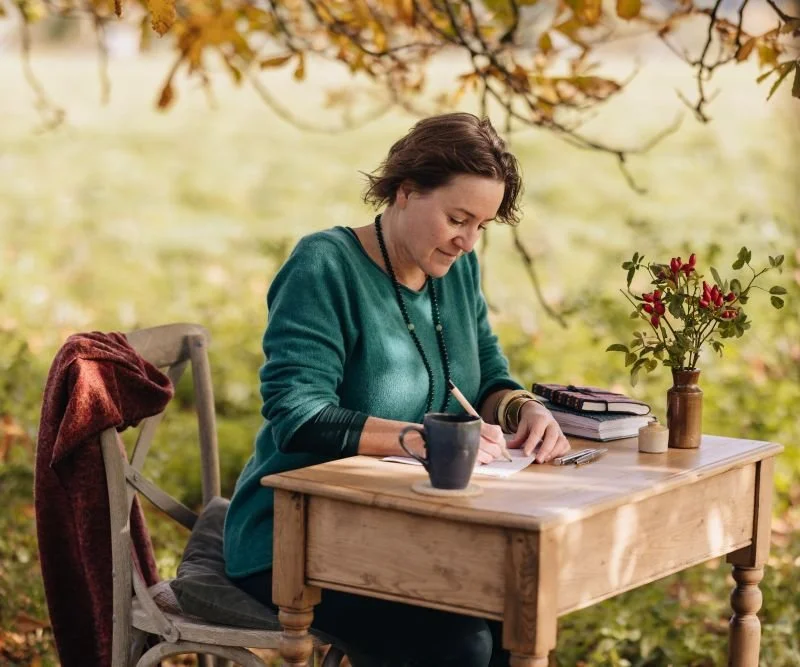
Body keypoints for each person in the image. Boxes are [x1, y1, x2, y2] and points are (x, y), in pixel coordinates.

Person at [223, 112, 571, 666]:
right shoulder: (324, 265)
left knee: (519, 615)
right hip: (294, 538)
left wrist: (520, 407)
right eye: (458, 218)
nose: (467, 241)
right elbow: (296, 412)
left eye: (481, 225)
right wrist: (420, 440)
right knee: (458, 645)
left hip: (406, 525)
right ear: (406, 191)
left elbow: (485, 370)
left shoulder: (455, 271)